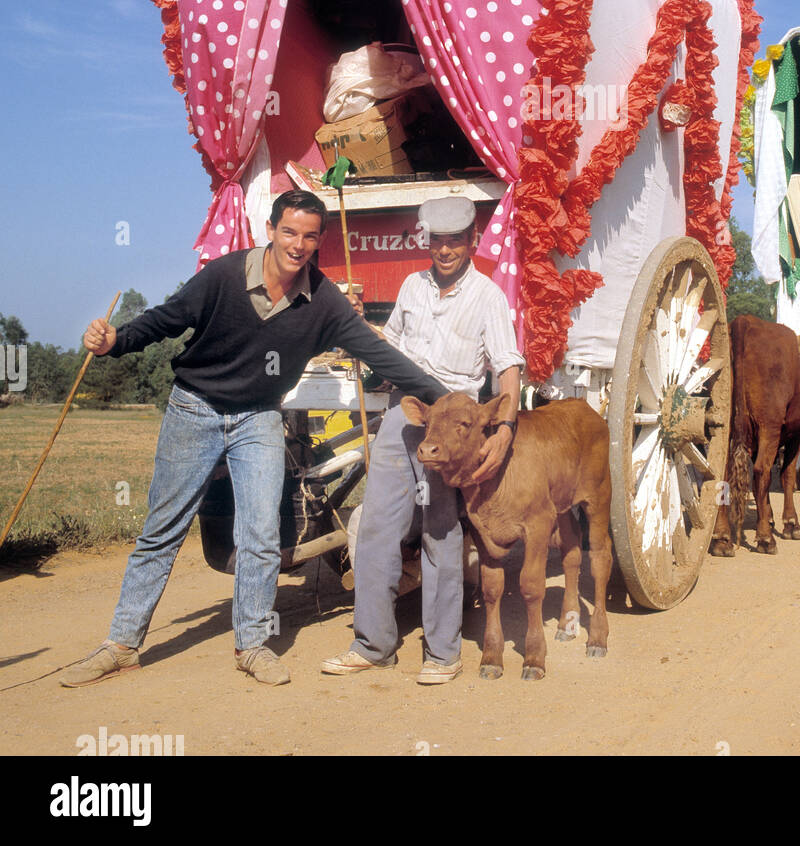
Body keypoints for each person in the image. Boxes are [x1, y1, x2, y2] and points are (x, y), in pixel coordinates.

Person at [60, 190, 447, 688]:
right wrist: (116, 341)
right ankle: (121, 644)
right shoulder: (224, 276)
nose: (298, 244)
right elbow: (166, 318)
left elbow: (379, 354)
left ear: (319, 242)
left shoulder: (324, 301)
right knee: (162, 531)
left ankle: (253, 645)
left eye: (310, 236)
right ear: (270, 230)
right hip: (193, 407)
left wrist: (444, 398)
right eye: (289, 232)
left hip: (259, 416)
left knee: (262, 535)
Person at [322, 195, 524, 684]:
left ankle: (443, 653)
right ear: (427, 241)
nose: (446, 250)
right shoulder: (412, 287)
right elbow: (391, 348)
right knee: (375, 526)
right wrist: (357, 323)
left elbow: (508, 370)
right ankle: (372, 644)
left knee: (440, 531)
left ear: (473, 242)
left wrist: (505, 428)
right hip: (404, 415)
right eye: (438, 241)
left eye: (456, 241)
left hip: (453, 427)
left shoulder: (488, 297)